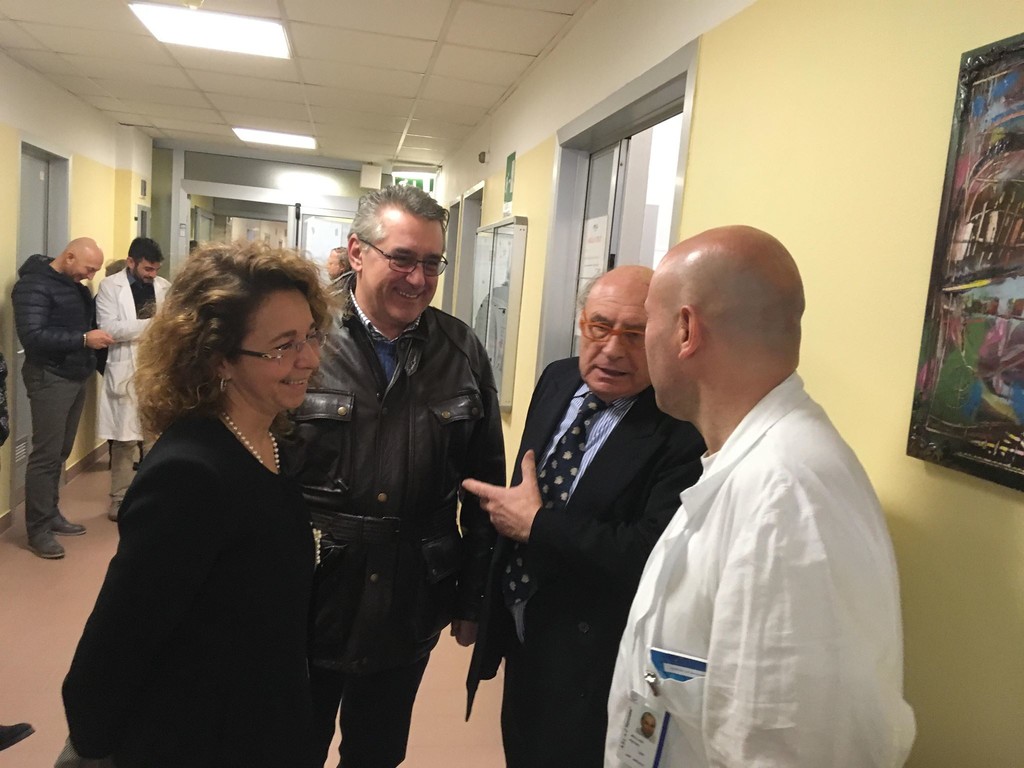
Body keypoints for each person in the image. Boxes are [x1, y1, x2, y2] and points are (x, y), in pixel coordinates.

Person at [605, 226, 916, 767]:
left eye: (646, 323)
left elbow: (788, 751)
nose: (640, 343)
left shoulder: (786, 498)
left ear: (685, 330)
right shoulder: (744, 466)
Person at [61, 241, 331, 768]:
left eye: (310, 336)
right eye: (283, 346)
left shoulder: (273, 443)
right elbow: (114, 649)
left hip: (263, 723)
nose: (309, 359)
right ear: (219, 358)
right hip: (200, 740)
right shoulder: (191, 475)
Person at [286, 185, 505, 768]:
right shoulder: (303, 338)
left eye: (432, 263)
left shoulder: (461, 349)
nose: (418, 279)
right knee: (288, 746)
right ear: (358, 252)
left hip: (410, 597)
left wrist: (474, 596)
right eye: (402, 258)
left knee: (378, 753)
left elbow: (484, 483)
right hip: (308, 592)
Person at [461, 266, 705, 767]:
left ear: (665, 337)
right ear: (581, 323)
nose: (612, 349)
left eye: (634, 334)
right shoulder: (558, 378)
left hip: (595, 657)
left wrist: (539, 526)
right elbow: (526, 490)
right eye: (600, 326)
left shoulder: (684, 426)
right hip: (523, 628)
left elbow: (649, 553)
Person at [12, 237, 113, 560]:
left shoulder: (74, 286)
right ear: (69, 257)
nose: (90, 276)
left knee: (60, 452)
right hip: (49, 377)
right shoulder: (33, 286)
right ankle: (38, 530)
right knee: (46, 455)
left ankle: (51, 513)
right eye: (89, 268)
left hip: (75, 375)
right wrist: (83, 339)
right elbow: (33, 336)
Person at [95, 237, 171, 521]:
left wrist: (144, 329)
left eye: (156, 269)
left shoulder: (164, 287)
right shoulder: (109, 287)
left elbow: (171, 328)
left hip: (155, 368)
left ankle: (151, 496)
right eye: (148, 269)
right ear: (131, 262)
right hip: (124, 368)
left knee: (154, 436)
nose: (153, 275)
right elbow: (110, 329)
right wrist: (154, 326)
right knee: (124, 440)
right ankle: (120, 498)